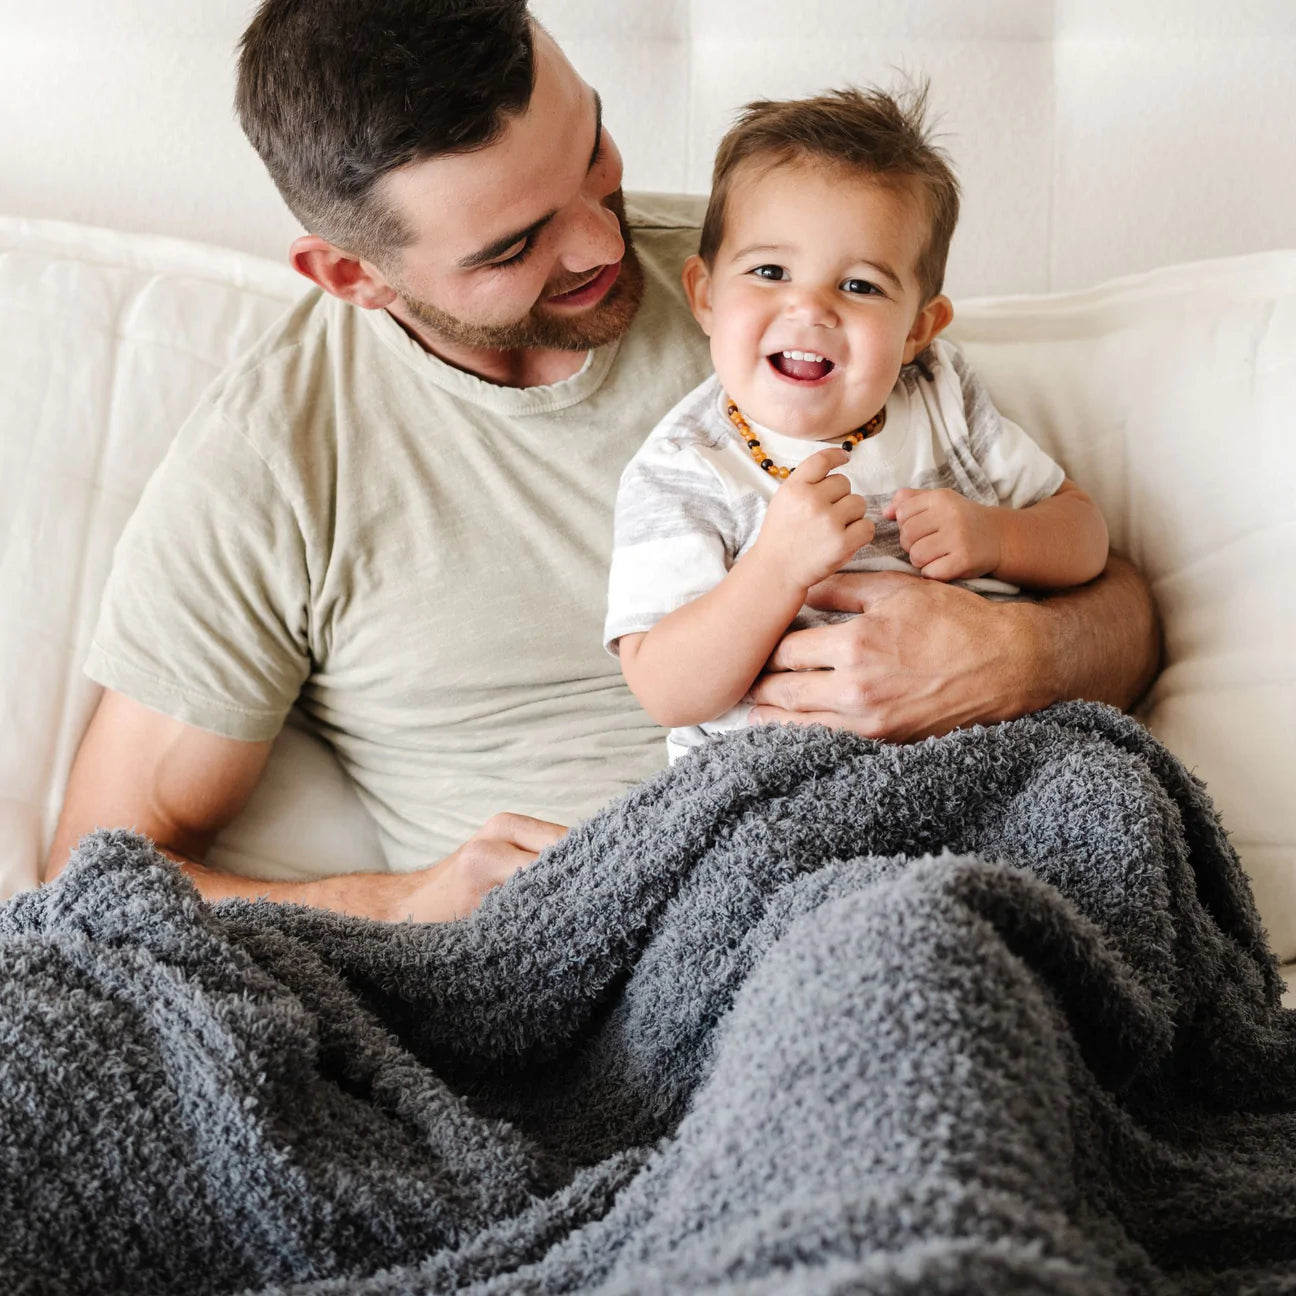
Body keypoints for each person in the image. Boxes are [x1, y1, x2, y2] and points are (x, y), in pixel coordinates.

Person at [46, 0, 1159, 922]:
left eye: (593, 153)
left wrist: (1018, 656)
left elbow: (1121, 610)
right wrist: (401, 904)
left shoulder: (788, 291)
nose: (600, 242)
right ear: (352, 275)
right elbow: (94, 885)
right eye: (513, 244)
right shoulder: (276, 458)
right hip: (595, 971)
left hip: (908, 878)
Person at [605, 88, 1110, 761]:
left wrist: (997, 536)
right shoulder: (686, 467)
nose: (810, 308)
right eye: (770, 271)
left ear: (918, 331)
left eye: (861, 285)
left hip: (980, 754)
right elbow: (667, 690)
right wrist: (774, 571)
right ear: (705, 295)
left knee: (1113, 788)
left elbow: (1086, 538)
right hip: (779, 781)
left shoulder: (939, 396)